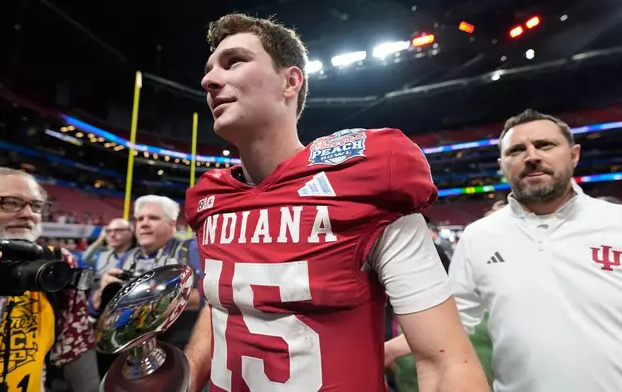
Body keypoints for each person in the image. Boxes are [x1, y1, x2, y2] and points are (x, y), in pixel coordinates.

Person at [183, 13, 489, 392]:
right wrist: (188, 377)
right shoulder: (208, 198)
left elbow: (445, 364)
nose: (209, 80)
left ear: (290, 81)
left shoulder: (367, 180)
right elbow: (222, 303)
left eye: (235, 62)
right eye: (209, 69)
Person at [383, 109, 622, 392]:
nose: (531, 156)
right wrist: (388, 349)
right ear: (502, 164)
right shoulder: (479, 236)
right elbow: (452, 319)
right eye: (516, 150)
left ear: (574, 154)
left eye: (545, 145)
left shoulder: (615, 222)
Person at [0, 164, 99, 392]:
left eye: (36, 206)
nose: (28, 214)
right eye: (10, 202)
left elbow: (75, 347)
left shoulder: (57, 262)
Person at [89, 195, 201, 351]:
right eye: (140, 219)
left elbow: (207, 298)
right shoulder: (128, 257)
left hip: (180, 347)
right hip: (133, 349)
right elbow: (94, 307)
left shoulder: (190, 249)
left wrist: (141, 303)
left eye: (153, 218)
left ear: (172, 224)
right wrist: (103, 294)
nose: (144, 224)